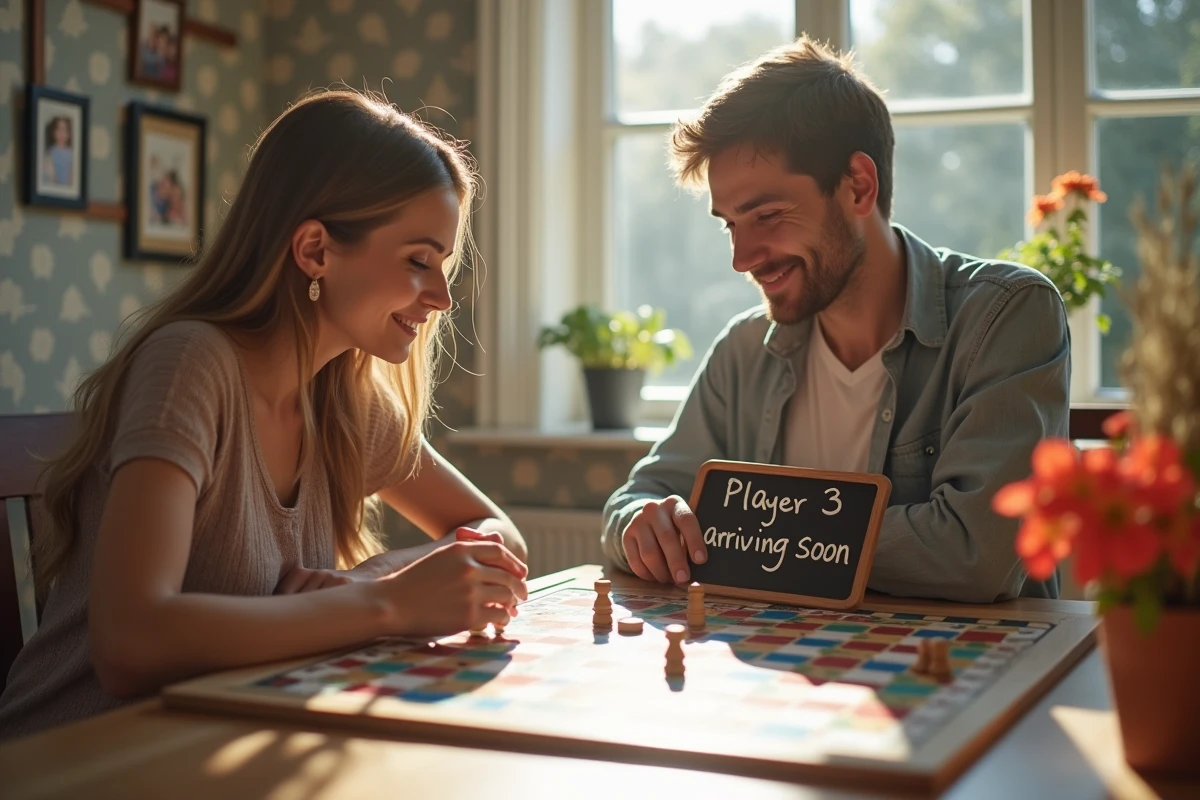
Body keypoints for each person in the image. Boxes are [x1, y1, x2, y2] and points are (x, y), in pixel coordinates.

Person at [0, 90, 529, 740]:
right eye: (419, 261)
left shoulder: (344, 398)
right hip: (78, 759)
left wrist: (370, 577)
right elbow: (130, 644)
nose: (443, 298)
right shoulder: (190, 364)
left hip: (221, 744)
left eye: (442, 264)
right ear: (314, 251)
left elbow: (498, 532)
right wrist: (386, 604)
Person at [602, 37, 1070, 604]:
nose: (742, 258)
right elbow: (638, 499)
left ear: (858, 186)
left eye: (768, 215)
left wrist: (745, 538)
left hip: (969, 676)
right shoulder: (744, 350)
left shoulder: (1005, 316)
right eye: (730, 224)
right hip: (788, 675)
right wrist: (640, 525)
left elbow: (977, 555)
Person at [43, 116, 73, 186]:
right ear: (53, 132)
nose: (61, 133)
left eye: (64, 130)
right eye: (58, 129)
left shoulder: (71, 154)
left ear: (69, 134)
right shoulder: (49, 152)